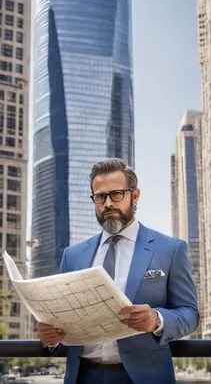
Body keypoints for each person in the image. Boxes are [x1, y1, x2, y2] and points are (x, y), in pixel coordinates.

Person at [37, 158, 199, 384]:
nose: (108, 203)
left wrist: (157, 319)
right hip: (82, 375)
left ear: (135, 195)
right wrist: (50, 337)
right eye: (100, 196)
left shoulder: (170, 249)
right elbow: (60, 319)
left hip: (144, 377)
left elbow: (190, 314)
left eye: (116, 194)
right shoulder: (72, 256)